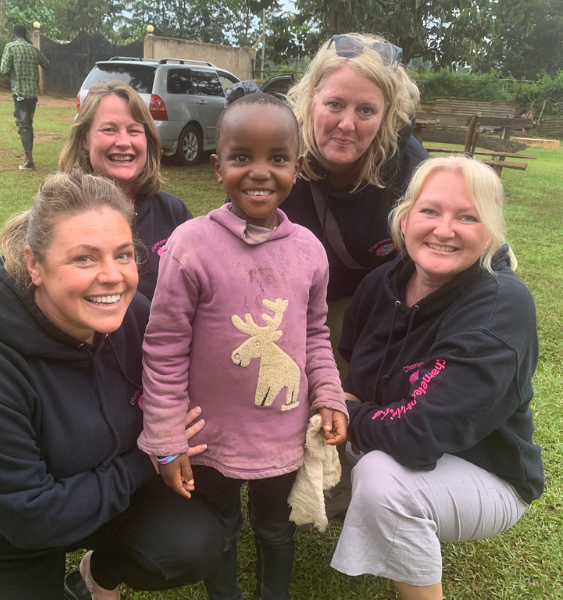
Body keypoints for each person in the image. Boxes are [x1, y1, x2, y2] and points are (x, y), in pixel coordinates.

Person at [0, 170, 222, 600]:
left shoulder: (135, 315)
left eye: (123, 255)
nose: (112, 277)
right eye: (84, 259)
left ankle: (95, 576)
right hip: (8, 533)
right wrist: (146, 459)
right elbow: (31, 519)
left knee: (192, 541)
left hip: (102, 498)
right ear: (35, 265)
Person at [136, 93, 349, 600]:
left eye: (277, 159)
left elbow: (315, 335)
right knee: (223, 528)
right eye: (241, 157)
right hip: (211, 441)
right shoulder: (190, 245)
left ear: (297, 167)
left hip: (283, 434)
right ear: (217, 165)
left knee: (276, 529)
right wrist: (166, 436)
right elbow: (163, 348)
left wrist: (330, 394)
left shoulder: (309, 252)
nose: (260, 172)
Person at [331, 156, 544, 600]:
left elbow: (419, 433)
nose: (444, 230)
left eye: (467, 217)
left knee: (382, 478)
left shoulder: (499, 307)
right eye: (430, 211)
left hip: (486, 473)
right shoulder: (381, 283)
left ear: (489, 232)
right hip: (390, 436)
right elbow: (349, 360)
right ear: (405, 219)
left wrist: (347, 412)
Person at [281, 33, 430, 376]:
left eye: (366, 110)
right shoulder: (277, 149)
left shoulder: (409, 169)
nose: (346, 125)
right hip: (282, 302)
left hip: (373, 308)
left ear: (386, 113)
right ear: (313, 97)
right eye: (335, 105)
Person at [58, 80, 192, 301]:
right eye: (109, 130)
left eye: (134, 130)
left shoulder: (174, 213)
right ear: (85, 139)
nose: (123, 142)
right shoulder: (60, 213)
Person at [0, 24, 50, 170]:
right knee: (29, 124)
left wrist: (14, 71)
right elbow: (46, 64)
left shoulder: (10, 47)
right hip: (32, 94)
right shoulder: (33, 49)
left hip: (19, 93)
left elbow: (3, 69)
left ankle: (29, 161)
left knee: (23, 126)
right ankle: (28, 156)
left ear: (14, 35)